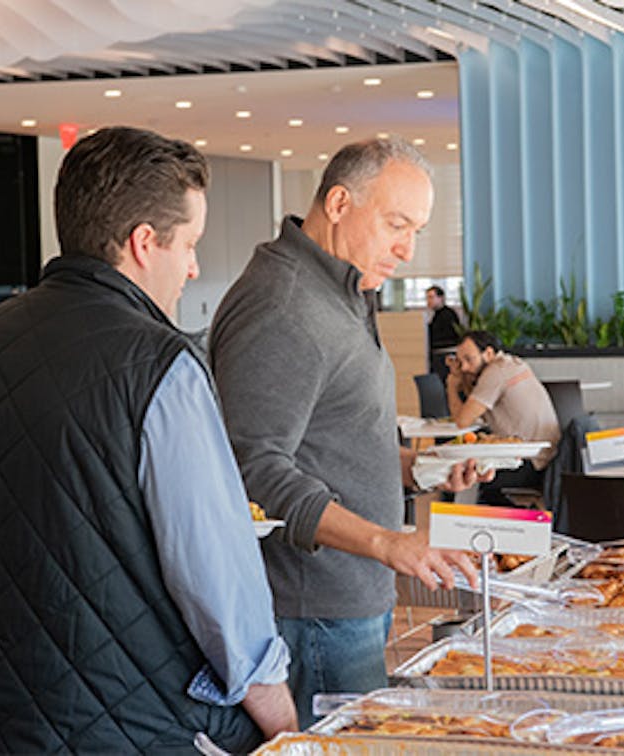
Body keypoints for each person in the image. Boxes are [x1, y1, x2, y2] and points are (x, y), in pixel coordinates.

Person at [0, 127, 296, 753]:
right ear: (143, 243)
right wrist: (282, 719)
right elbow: (217, 580)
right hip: (130, 732)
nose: (193, 266)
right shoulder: (162, 365)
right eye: (189, 244)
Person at [208, 137, 488, 728]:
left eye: (418, 229)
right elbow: (252, 466)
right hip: (315, 610)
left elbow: (333, 439)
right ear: (339, 203)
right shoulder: (284, 306)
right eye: (396, 224)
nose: (408, 249)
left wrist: (423, 466)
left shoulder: (341, 289)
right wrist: (387, 543)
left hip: (352, 595)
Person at [446, 330, 561, 504]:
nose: (464, 367)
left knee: (457, 476)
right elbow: (476, 404)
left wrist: (452, 385)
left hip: (532, 463)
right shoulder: (510, 364)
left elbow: (462, 421)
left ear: (489, 353)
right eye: (461, 362)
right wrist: (464, 377)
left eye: (469, 360)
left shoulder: (496, 373)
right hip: (546, 457)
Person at [426, 285, 460, 382]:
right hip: (439, 354)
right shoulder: (436, 315)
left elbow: (446, 336)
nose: (428, 301)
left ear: (441, 298)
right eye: (427, 298)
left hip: (444, 354)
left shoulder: (448, 314)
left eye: (431, 297)